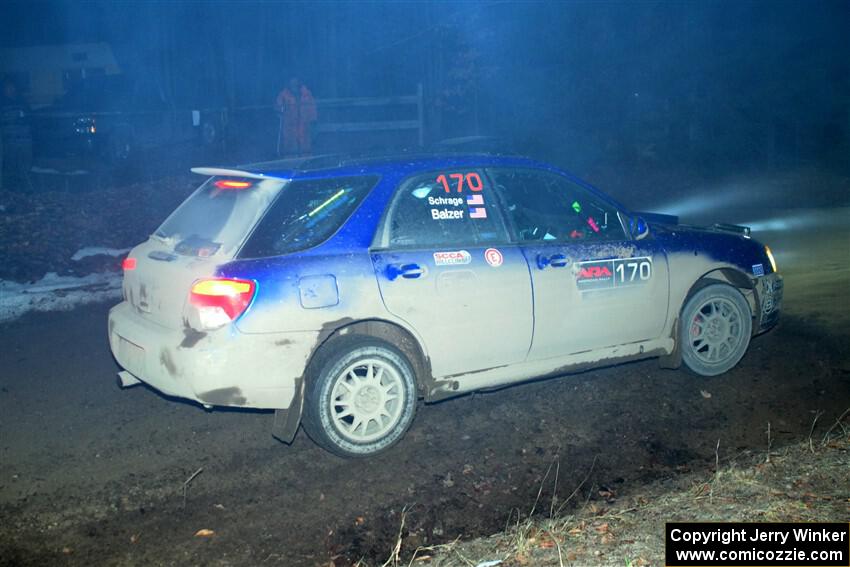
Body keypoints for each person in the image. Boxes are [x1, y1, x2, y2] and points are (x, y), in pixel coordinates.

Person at [0, 78, 32, 189]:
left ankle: (26, 188)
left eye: (12, 87)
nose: (10, 89)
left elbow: (30, 117)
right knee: (10, 165)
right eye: (8, 87)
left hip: (24, 140)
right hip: (9, 140)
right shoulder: (2, 103)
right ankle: (10, 188)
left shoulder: (21, 101)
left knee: (25, 164)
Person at [275, 78, 317, 156]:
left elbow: (312, 109)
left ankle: (306, 162)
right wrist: (280, 110)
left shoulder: (307, 94)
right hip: (289, 127)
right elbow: (278, 109)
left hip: (305, 126)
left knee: (306, 146)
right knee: (290, 147)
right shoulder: (283, 95)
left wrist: (313, 122)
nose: (294, 82)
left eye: (296, 79)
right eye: (292, 79)